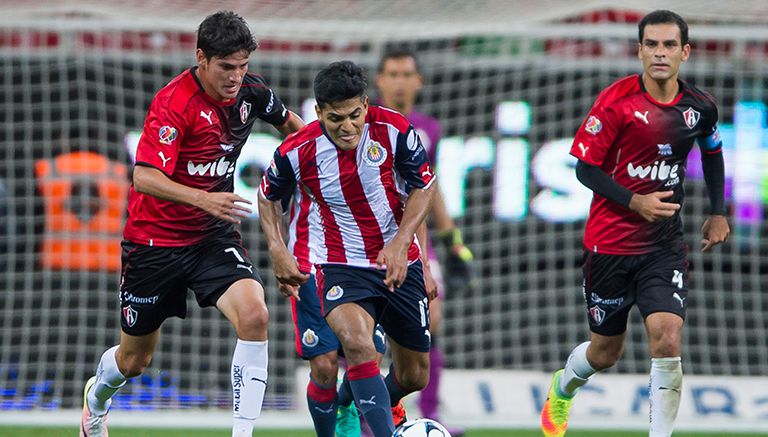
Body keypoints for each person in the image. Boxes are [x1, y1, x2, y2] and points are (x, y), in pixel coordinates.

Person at [79, 11, 304, 437]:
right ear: (201, 58)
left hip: (210, 238)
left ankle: (242, 433)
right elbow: (144, 177)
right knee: (134, 361)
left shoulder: (252, 92)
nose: (236, 77)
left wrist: (319, 156)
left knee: (255, 314)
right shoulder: (174, 103)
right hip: (154, 242)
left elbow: (291, 125)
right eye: (226, 67)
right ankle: (97, 399)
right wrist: (203, 197)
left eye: (243, 66)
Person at [540, 9, 730, 437]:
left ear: (685, 52)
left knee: (667, 337)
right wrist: (634, 201)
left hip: (663, 247)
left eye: (669, 45)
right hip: (609, 246)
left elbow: (713, 152)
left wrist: (718, 212)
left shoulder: (699, 107)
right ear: (640, 50)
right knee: (605, 353)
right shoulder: (616, 103)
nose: (660, 53)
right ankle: (564, 386)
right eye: (651, 44)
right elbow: (584, 169)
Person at [259, 60, 437, 437]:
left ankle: (348, 401)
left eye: (355, 115)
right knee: (358, 347)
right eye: (336, 118)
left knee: (414, 375)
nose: (348, 127)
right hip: (339, 263)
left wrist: (404, 245)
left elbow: (424, 186)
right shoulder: (298, 150)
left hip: (398, 262)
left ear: (366, 104)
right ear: (319, 112)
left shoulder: (394, 130)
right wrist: (276, 248)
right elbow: (267, 195)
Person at [375, 47, 472, 437]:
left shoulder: (428, 128)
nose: (399, 82)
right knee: (364, 336)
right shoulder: (365, 122)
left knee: (430, 323)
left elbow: (431, 188)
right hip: (370, 237)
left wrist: (454, 241)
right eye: (392, 74)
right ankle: (367, 416)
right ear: (380, 80)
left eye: (406, 74)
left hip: (416, 237)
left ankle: (430, 413)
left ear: (419, 81)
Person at [281, 187, 387, 437]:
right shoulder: (297, 160)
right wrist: (279, 253)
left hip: (364, 265)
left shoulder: (379, 161)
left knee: (370, 357)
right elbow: (270, 200)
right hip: (309, 263)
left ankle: (346, 405)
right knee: (324, 367)